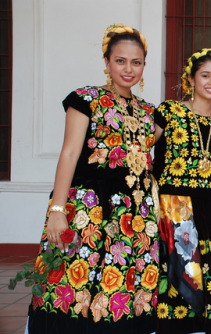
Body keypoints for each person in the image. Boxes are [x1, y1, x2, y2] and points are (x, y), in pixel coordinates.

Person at [27, 24, 158, 334]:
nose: (128, 69)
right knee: (75, 283)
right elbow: (69, 154)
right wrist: (57, 212)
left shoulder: (148, 112)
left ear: (144, 66)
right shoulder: (85, 99)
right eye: (120, 60)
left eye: (136, 62)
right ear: (106, 62)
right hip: (88, 209)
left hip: (133, 216)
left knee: (123, 289)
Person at [153, 48, 211, 334]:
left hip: (210, 209)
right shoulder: (169, 112)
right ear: (191, 79)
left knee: (210, 280)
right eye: (205, 75)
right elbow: (138, 148)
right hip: (175, 207)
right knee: (181, 280)